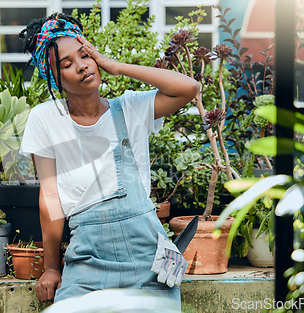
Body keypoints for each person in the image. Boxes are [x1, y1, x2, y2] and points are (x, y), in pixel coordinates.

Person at [18, 12, 198, 308]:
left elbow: (188, 88)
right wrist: (52, 267)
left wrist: (114, 66)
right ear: (55, 76)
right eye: (67, 63)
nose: (82, 66)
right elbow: (50, 197)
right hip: (87, 260)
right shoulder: (45, 119)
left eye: (84, 55)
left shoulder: (131, 108)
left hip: (147, 258)